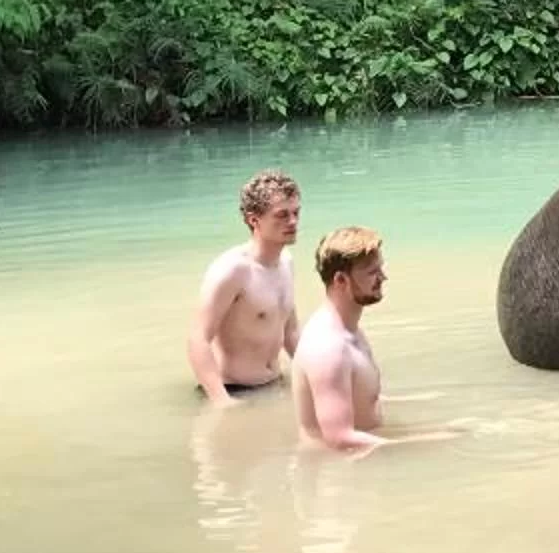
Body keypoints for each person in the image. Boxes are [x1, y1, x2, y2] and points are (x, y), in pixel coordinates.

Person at [293, 226, 454, 454]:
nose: (383, 277)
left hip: (363, 456)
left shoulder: (349, 330)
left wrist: (419, 402)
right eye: (372, 272)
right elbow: (340, 439)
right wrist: (431, 439)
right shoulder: (328, 349)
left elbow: (357, 397)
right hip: (339, 475)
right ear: (341, 280)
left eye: (381, 268)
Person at [187, 169, 301, 404]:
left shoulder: (286, 262)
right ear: (254, 220)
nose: (293, 222)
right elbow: (198, 338)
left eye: (296, 213)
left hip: (274, 384)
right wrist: (221, 401)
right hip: (234, 391)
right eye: (282, 215)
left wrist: (318, 377)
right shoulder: (232, 270)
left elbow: (290, 332)